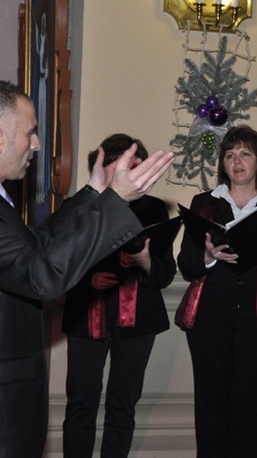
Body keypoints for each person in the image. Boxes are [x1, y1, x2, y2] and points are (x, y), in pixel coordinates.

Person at [0, 80, 174, 458]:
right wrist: (116, 202)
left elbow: (35, 246)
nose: (36, 144)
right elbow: (42, 274)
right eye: (31, 131)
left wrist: (93, 196)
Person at [176, 126, 257, 458]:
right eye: (229, 155)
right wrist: (208, 256)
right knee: (210, 408)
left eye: (245, 154)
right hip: (210, 319)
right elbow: (186, 262)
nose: (237, 161)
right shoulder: (204, 203)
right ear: (223, 163)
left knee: (252, 409)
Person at [61, 134, 176, 457]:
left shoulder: (154, 209)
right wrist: (87, 280)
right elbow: (54, 264)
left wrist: (145, 261)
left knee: (123, 404)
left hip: (138, 319)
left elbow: (165, 274)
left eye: (136, 165)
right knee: (81, 402)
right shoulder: (80, 205)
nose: (131, 172)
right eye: (123, 165)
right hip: (87, 315)